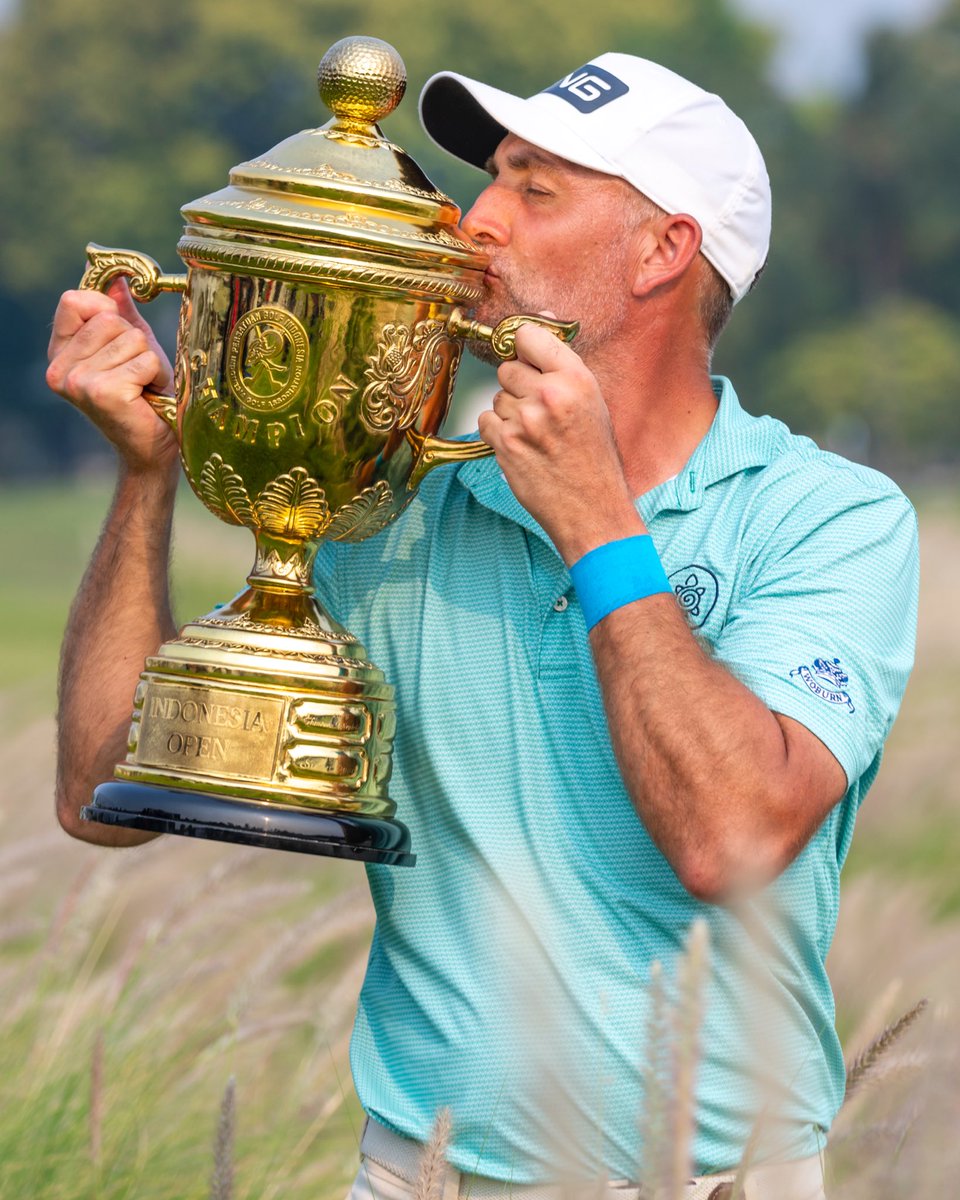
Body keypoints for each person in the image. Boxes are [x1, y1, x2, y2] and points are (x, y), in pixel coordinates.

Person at [47, 51, 918, 1200]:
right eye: (489, 178)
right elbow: (102, 789)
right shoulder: (396, 503)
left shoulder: (831, 518)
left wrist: (598, 528)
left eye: (534, 188)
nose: (475, 220)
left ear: (665, 252)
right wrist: (148, 475)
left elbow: (735, 841)